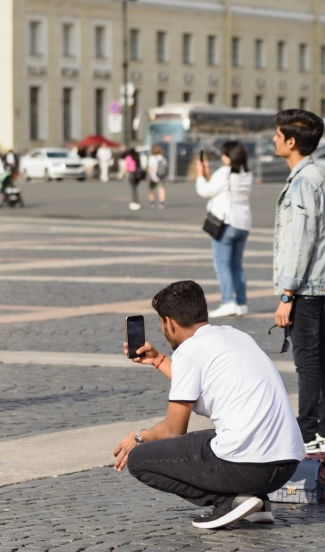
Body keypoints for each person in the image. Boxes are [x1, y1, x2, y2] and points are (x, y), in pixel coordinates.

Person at [114, 280, 305, 530]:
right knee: (211, 437)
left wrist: (138, 437)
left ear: (169, 322)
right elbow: (199, 384)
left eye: (161, 323)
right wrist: (159, 360)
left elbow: (173, 431)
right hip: (286, 464)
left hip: (248, 465)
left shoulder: (189, 351)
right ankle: (257, 502)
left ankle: (230, 501)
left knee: (140, 459)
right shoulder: (236, 336)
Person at [271, 109, 325, 453]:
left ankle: (311, 427)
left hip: (304, 285)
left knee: (307, 359)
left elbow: (301, 239)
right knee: (320, 353)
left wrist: (287, 294)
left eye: (277, 135)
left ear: (291, 141)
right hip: (315, 282)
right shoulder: (315, 175)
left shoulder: (303, 180)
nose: (273, 139)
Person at [196, 142, 253, 318]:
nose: (222, 158)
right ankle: (241, 303)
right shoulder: (246, 174)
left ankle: (228, 301)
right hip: (243, 224)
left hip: (226, 224)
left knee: (222, 265)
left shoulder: (225, 172)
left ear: (229, 156)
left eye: (224, 155)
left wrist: (200, 175)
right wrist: (207, 174)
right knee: (236, 265)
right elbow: (221, 187)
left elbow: (205, 190)